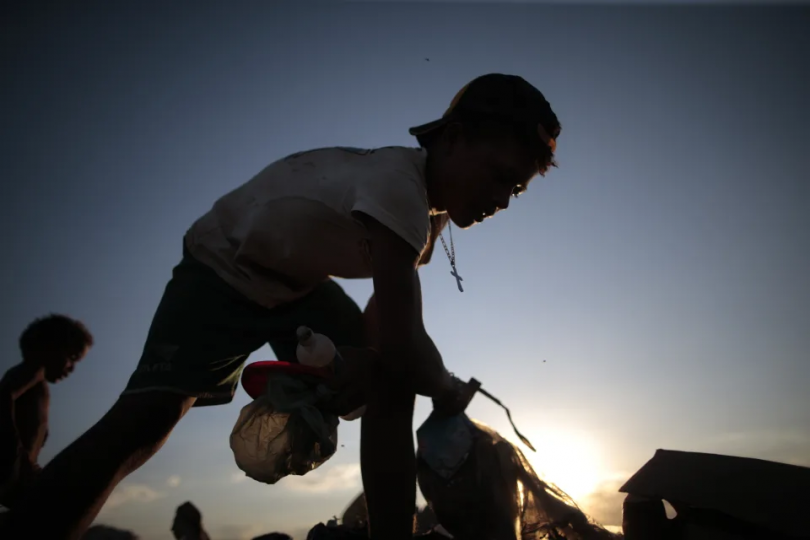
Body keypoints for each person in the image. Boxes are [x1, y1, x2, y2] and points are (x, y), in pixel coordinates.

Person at [3, 73, 561, 540]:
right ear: (455, 138)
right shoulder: (400, 187)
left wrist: (386, 364)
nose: (503, 199)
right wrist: (443, 387)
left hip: (297, 289)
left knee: (391, 380)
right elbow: (404, 332)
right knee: (147, 420)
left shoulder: (427, 218)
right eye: (499, 176)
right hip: (223, 266)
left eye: (516, 190)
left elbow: (385, 324)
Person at [0, 314, 93, 509]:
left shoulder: (39, 386)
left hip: (20, 476)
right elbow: (2, 396)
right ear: (50, 347)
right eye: (72, 357)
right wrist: (13, 454)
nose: (72, 368)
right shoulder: (33, 371)